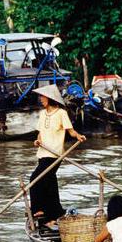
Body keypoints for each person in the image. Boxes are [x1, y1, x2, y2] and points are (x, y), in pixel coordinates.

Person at [30, 84, 86, 227]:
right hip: (42, 153)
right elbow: (40, 132)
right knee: (49, 183)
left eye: (43, 97)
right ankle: (55, 214)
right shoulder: (43, 114)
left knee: (35, 179)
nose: (41, 99)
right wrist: (38, 140)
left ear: (49, 98)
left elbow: (70, 131)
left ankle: (39, 210)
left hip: (54, 154)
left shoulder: (61, 113)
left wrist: (78, 136)